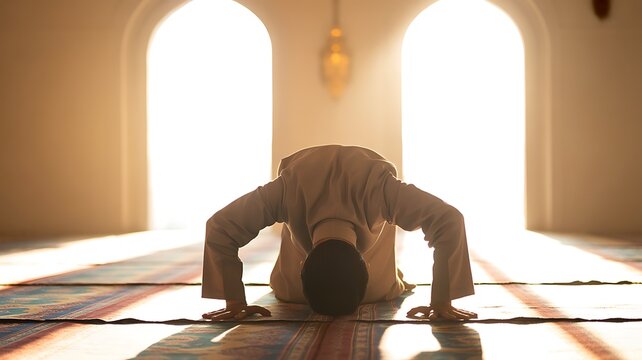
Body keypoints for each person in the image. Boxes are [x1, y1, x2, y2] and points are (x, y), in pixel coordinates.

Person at [201, 145, 477, 321]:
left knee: (294, 294)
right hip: (365, 282)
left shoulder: (377, 185)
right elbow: (449, 220)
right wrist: (442, 299)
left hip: (301, 283)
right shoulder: (291, 185)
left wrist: (234, 300)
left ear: (302, 266)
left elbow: (220, 227)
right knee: (379, 292)